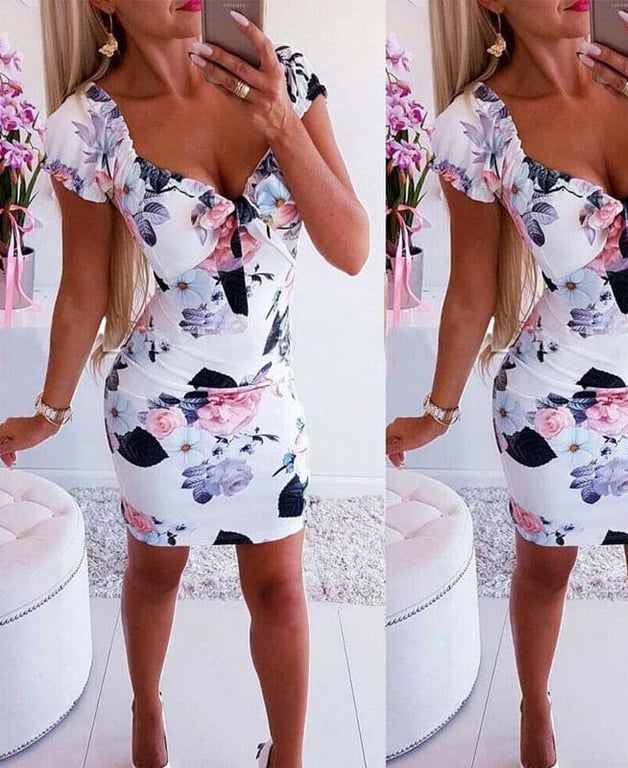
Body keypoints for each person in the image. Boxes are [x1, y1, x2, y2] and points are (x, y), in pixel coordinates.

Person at [386, 2, 628, 767]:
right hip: (545, 404)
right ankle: (532, 706)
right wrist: (435, 412)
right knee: (544, 572)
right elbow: (472, 291)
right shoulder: (474, 126)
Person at [0, 2, 369, 767]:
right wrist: (47, 412)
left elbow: (354, 248)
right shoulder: (85, 126)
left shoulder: (287, 79)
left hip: (267, 402)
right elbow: (85, 290)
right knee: (155, 572)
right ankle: (145, 706)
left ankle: (288, 755)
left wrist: (282, 123)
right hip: (155, 402)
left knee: (281, 589)